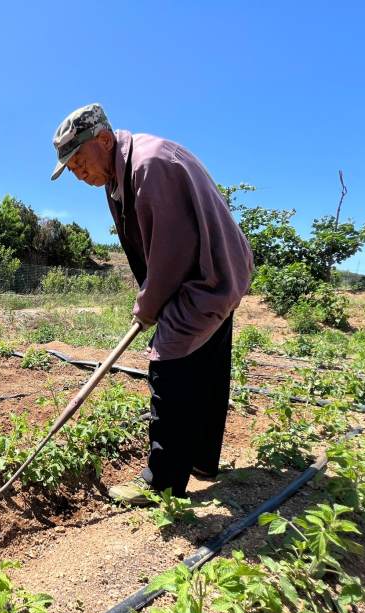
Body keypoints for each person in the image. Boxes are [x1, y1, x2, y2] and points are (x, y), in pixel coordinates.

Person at [50, 103, 253, 504]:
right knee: (208, 359)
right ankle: (201, 461)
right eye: (70, 168)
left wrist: (149, 305)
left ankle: (163, 483)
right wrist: (152, 298)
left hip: (206, 275)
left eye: (77, 160)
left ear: (104, 140)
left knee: (168, 362)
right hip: (210, 270)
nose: (76, 172)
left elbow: (171, 252)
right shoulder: (116, 176)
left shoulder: (149, 165)